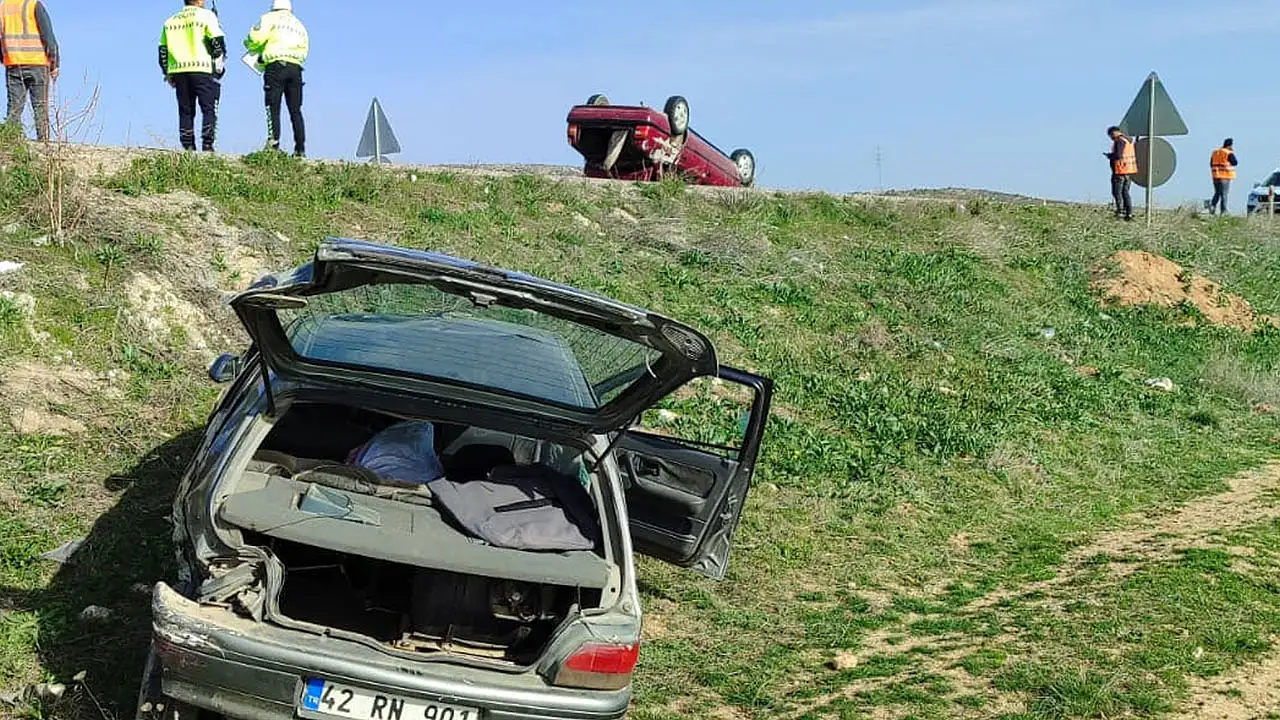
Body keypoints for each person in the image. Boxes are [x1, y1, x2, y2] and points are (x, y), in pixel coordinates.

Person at [159, 0, 226, 152]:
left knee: (186, 110)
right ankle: (207, 145)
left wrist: (167, 72)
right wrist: (219, 66)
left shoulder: (170, 21)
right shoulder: (207, 16)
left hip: (179, 71)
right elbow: (217, 43)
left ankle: (188, 146)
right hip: (202, 68)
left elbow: (163, 50)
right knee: (208, 108)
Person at [245, 0, 309, 157]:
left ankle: (273, 144)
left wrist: (250, 46)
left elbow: (255, 38)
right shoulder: (299, 25)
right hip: (296, 69)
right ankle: (300, 149)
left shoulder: (268, 19)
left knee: (273, 107)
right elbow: (306, 48)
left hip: (275, 67)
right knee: (295, 110)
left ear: (273, 8)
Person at [0, 0, 58, 141]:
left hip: (13, 63)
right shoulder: (33, 5)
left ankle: (10, 141)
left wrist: (3, 58)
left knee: (14, 106)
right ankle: (44, 143)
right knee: (40, 106)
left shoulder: (3, 7)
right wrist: (54, 64)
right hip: (37, 62)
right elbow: (48, 36)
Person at [1105, 126, 1137, 221]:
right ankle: (1129, 213)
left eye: (1111, 135)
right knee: (1125, 192)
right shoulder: (1128, 140)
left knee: (1117, 192)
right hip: (1128, 171)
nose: (1111, 138)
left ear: (1113, 133)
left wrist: (1110, 156)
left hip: (1120, 170)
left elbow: (1119, 155)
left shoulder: (1119, 141)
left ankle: (1120, 211)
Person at [1209, 138, 1239, 216]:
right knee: (1224, 194)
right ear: (1230, 145)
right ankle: (1223, 211)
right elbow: (1235, 162)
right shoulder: (1228, 153)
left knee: (1217, 193)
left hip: (1215, 176)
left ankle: (1212, 206)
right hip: (1225, 176)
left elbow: (1211, 164)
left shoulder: (1215, 152)